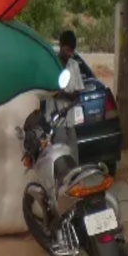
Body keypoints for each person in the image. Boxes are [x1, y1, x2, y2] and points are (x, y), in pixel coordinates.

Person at [44, 30, 84, 163]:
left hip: (70, 119)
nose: (69, 54)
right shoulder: (51, 65)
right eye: (67, 50)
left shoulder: (74, 65)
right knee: (61, 157)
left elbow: (77, 93)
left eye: (71, 51)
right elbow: (50, 91)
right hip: (56, 121)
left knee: (73, 156)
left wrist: (63, 95)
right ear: (60, 46)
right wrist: (66, 95)